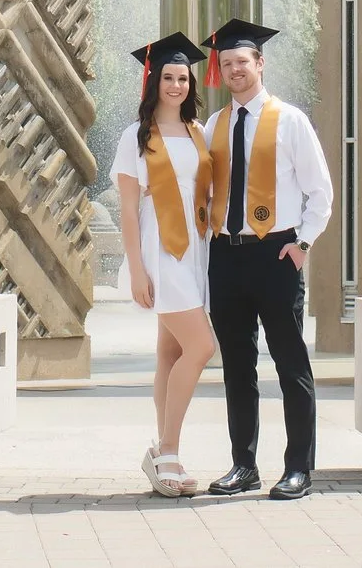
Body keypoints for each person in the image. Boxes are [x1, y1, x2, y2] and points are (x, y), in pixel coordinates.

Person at [200, 17, 333, 501]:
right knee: (236, 366)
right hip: (227, 256)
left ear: (260, 63)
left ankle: (298, 467)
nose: (235, 70)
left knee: (290, 362)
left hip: (276, 253)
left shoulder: (289, 120)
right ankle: (243, 465)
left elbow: (321, 191)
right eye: (227, 63)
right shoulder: (214, 125)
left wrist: (304, 245)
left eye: (243, 62)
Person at [111, 32, 218, 498]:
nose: (175, 85)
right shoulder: (135, 137)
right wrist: (137, 270)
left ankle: (163, 453)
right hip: (160, 249)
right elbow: (129, 211)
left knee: (171, 353)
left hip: (195, 249)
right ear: (153, 82)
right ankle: (168, 450)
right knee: (202, 347)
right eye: (168, 77)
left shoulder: (198, 133)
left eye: (182, 78)